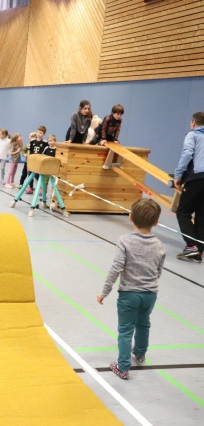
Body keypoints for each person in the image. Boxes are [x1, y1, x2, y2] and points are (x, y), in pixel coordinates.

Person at [97, 198, 165, 380]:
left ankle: (123, 367)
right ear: (156, 222)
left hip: (129, 295)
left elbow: (116, 268)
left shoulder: (124, 241)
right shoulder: (158, 244)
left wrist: (104, 292)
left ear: (130, 217)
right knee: (143, 323)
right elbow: (158, 269)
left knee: (125, 330)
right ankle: (140, 353)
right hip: (150, 294)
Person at [173, 111, 204, 263]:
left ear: (193, 122)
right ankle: (198, 251)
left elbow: (187, 153)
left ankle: (191, 246)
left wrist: (178, 175)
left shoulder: (193, 135)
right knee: (201, 216)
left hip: (197, 178)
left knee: (183, 212)